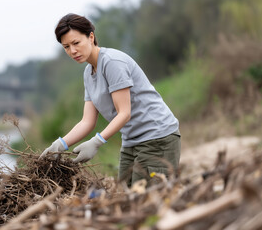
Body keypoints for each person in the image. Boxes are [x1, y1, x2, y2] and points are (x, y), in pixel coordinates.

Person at [39, 13, 181, 187]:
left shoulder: (112, 62)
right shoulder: (88, 73)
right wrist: (60, 144)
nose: (72, 51)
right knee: (125, 195)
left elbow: (124, 113)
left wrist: (97, 142)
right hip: (131, 141)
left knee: (146, 199)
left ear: (91, 37)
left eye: (76, 43)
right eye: (66, 47)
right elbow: (87, 121)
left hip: (157, 137)